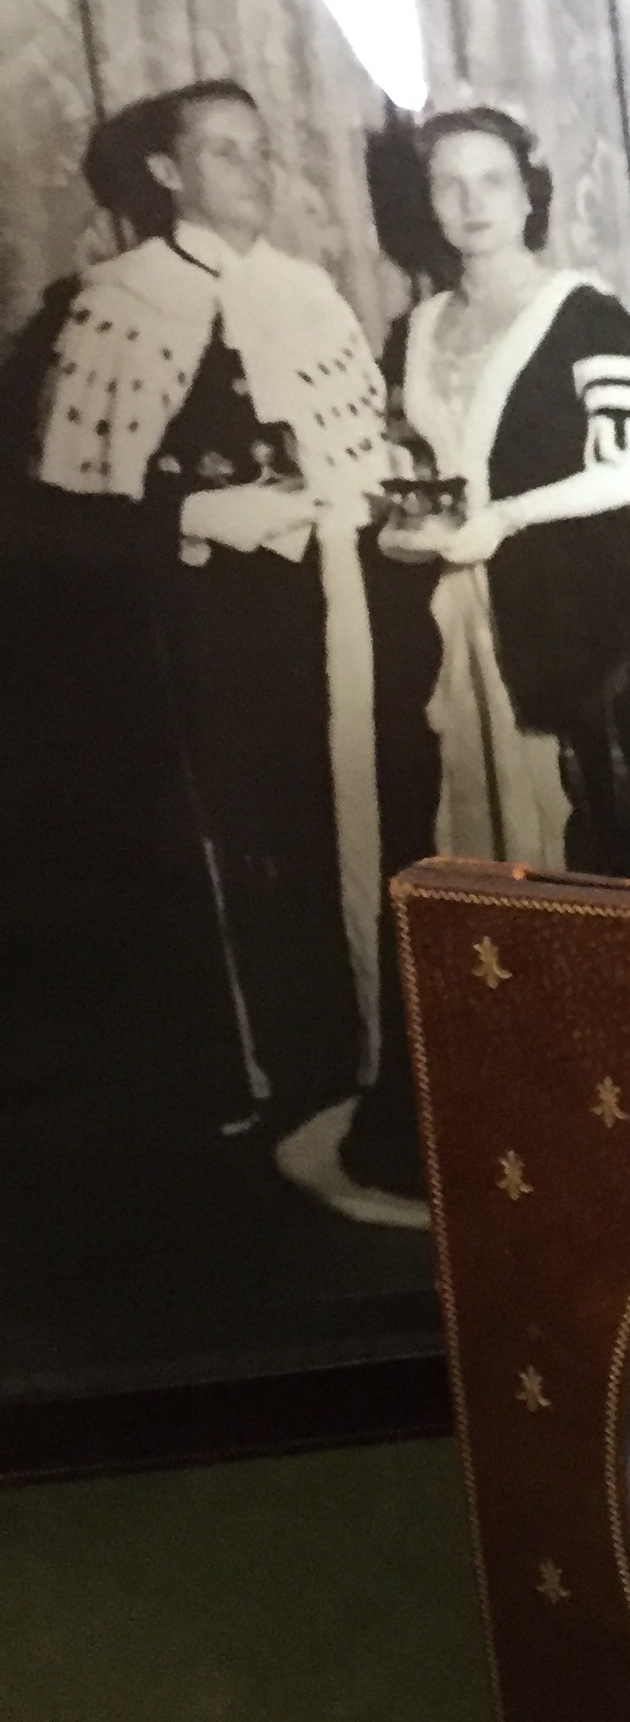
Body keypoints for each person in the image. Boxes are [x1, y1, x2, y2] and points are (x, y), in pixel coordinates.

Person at [24, 79, 422, 1225]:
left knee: (354, 833)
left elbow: (365, 449)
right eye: (225, 151)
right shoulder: (118, 302)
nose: (257, 171)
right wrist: (200, 514)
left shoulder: (306, 291)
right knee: (254, 854)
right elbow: (65, 515)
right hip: (201, 634)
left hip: (339, 607)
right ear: (167, 174)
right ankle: (293, 1101)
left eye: (262, 149)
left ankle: (361, 1087)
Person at [378, 104, 630, 887]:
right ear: (426, 202)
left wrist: (507, 517)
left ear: (529, 194)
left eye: (493, 180)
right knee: (478, 833)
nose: (472, 202)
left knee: (607, 835)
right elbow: (411, 455)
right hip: (458, 612)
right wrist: (402, 520)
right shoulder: (417, 329)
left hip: (586, 609)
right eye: (449, 184)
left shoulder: (585, 312)